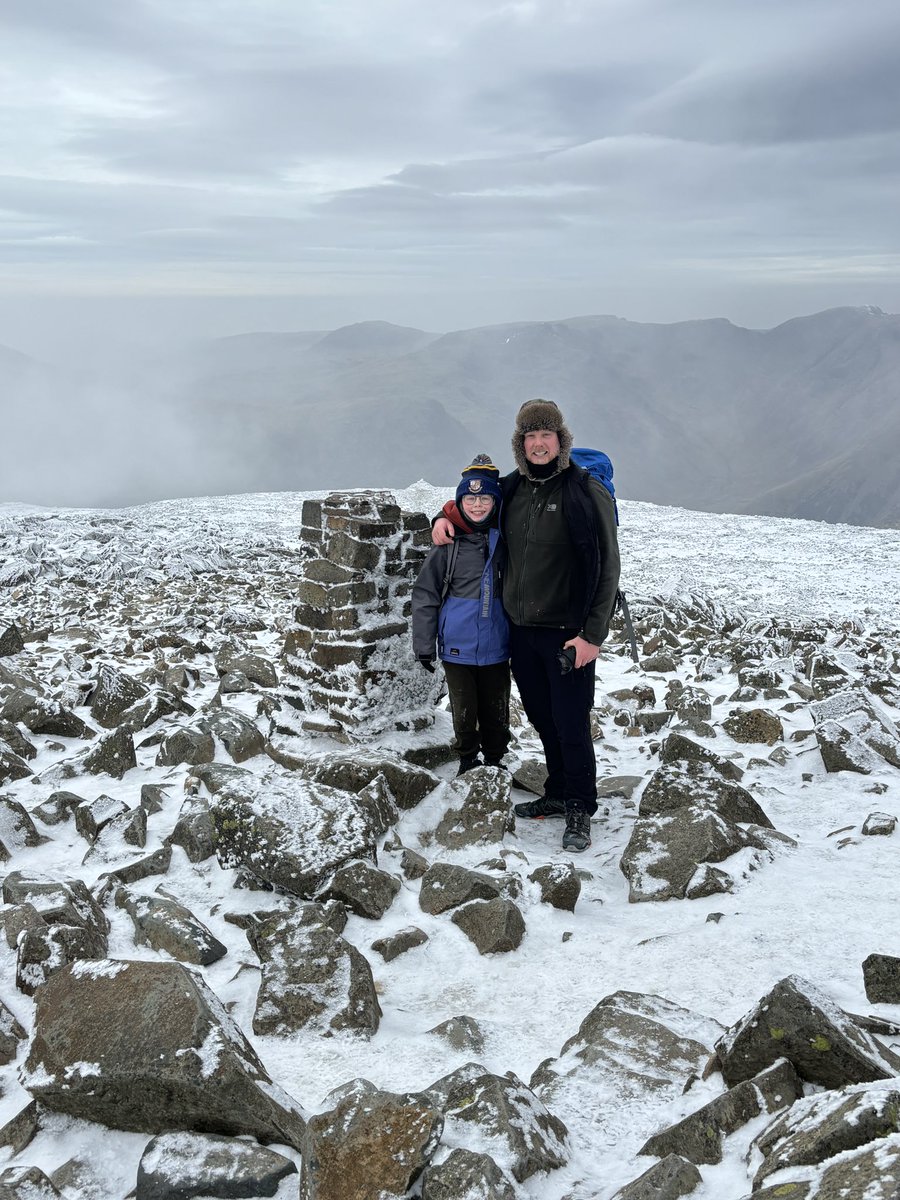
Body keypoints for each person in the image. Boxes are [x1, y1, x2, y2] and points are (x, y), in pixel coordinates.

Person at [431, 401, 620, 851]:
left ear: (560, 441)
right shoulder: (512, 489)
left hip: (568, 633)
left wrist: (593, 635)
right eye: (529, 437)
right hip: (521, 630)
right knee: (541, 716)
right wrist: (443, 516)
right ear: (520, 444)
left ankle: (579, 806)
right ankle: (556, 792)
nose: (538, 444)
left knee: (571, 721)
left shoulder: (582, 488)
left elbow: (608, 565)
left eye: (546, 436)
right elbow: (474, 502)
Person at [412, 453, 511, 776]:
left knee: (497, 709)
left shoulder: (507, 537)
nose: (478, 505)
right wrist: (424, 645)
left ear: (496, 501)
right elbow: (426, 593)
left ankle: (496, 760)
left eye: (485, 498)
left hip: (498, 642)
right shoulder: (448, 543)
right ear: (460, 500)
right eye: (470, 498)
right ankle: (468, 758)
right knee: (463, 707)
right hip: (457, 644)